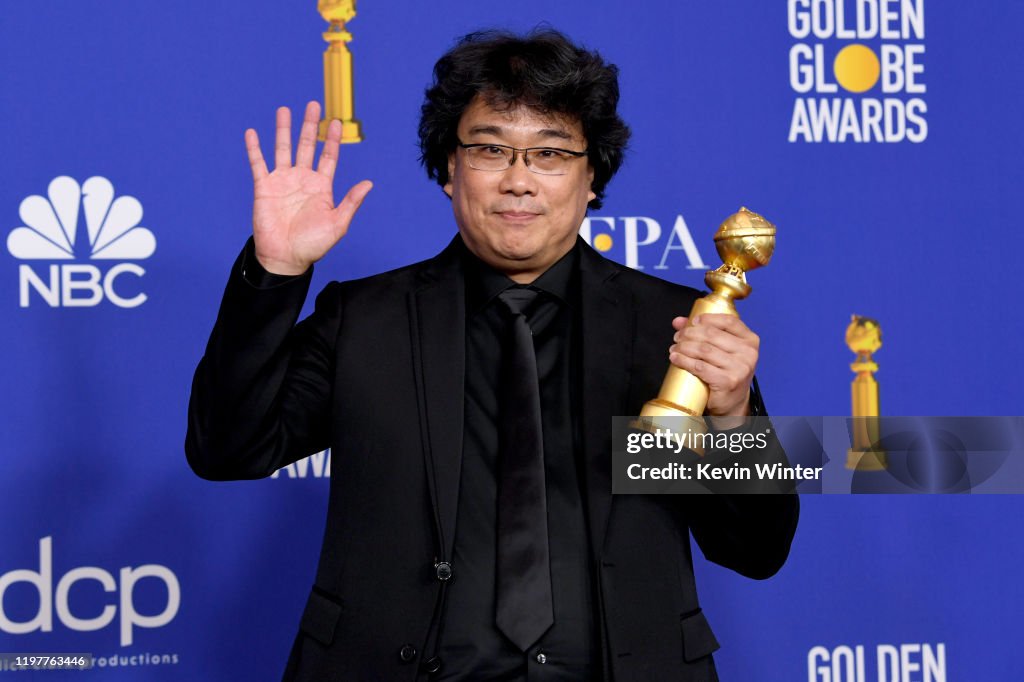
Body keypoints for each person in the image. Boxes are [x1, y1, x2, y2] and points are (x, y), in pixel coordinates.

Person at [187, 28, 798, 682]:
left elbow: (753, 549)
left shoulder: (668, 329)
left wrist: (732, 419)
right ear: (450, 169)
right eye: (489, 149)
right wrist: (276, 272)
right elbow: (228, 449)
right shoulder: (365, 320)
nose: (518, 181)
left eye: (551, 153)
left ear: (592, 177)